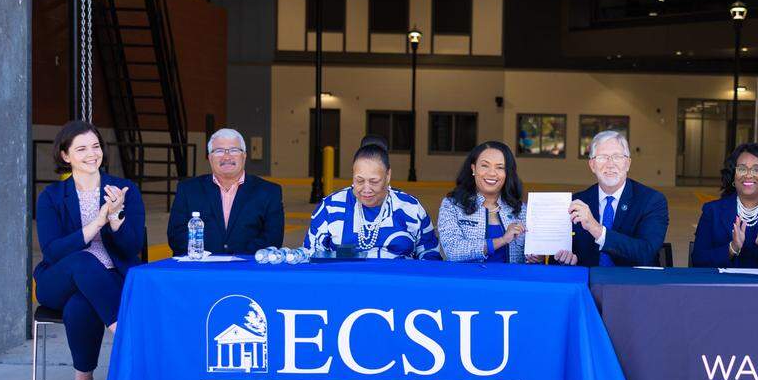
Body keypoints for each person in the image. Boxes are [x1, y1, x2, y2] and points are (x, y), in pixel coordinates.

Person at [34, 121, 145, 380]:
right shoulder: (52, 197)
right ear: (65, 155)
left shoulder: (124, 190)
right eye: (81, 148)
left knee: (81, 304)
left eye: (95, 146)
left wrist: (117, 217)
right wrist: (97, 222)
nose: (91, 154)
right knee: (85, 260)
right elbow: (53, 251)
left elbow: (133, 247)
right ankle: (124, 331)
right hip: (58, 279)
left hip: (109, 278)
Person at [304, 143, 440, 260]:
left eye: (374, 181)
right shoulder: (330, 207)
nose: (366, 189)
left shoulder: (410, 208)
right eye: (359, 181)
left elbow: (431, 256)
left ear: (388, 176)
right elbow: (310, 254)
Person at [556, 130, 668, 267]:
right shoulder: (577, 203)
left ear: (628, 163)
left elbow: (646, 252)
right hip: (589, 284)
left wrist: (597, 229)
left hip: (634, 284)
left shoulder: (651, 201)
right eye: (602, 157)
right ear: (592, 165)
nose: (610, 164)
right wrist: (567, 259)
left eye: (617, 157)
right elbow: (563, 253)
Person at [167, 128, 284, 256]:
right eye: (219, 151)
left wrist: (236, 261)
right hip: (201, 268)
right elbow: (176, 235)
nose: (227, 157)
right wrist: (210, 259)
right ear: (210, 157)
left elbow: (273, 238)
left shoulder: (269, 192)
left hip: (248, 270)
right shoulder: (188, 189)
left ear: (244, 156)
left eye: (234, 150)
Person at [438, 141, 534, 263]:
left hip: (511, 281)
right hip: (468, 280)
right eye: (485, 165)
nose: (492, 173)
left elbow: (529, 256)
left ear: (507, 173)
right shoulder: (453, 206)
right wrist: (502, 240)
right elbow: (453, 251)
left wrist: (535, 257)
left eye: (500, 167)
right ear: (473, 169)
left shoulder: (521, 210)